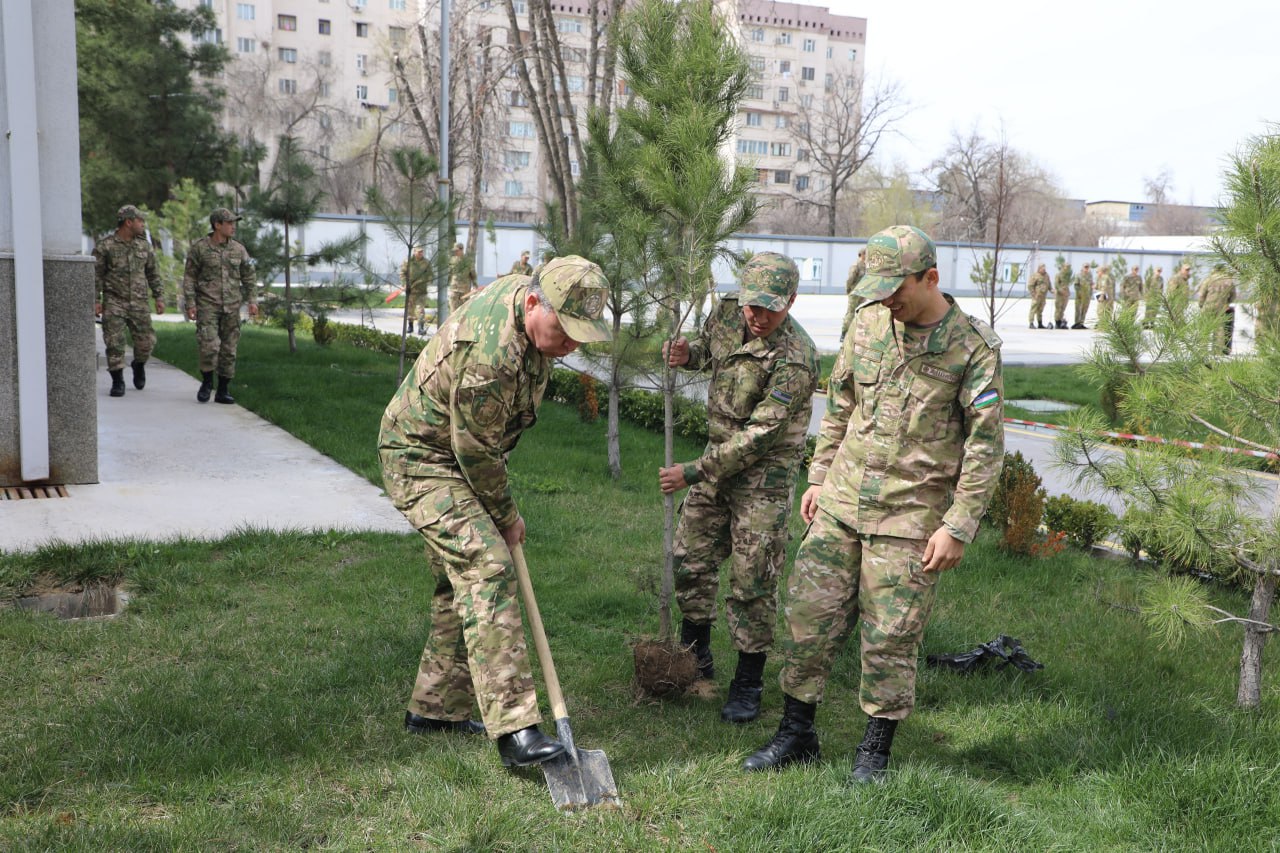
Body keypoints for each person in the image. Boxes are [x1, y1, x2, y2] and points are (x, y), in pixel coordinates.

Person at [742, 225, 1004, 784]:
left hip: (909, 518)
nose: (886, 300)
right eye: (877, 289)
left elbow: (985, 448)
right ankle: (796, 734)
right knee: (808, 620)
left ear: (930, 278)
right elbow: (841, 403)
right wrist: (818, 476)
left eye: (896, 289)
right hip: (840, 502)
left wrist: (958, 526)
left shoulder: (972, 349)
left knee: (890, 637)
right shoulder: (867, 322)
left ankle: (874, 752)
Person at [378, 256, 613, 768]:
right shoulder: (491, 356)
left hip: (456, 451)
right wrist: (506, 516)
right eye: (564, 331)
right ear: (532, 304)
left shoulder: (532, 306)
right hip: (422, 458)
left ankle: (436, 709)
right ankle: (516, 729)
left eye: (580, 335)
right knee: (487, 567)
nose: (571, 346)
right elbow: (476, 451)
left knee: (459, 581)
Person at [660, 252, 820, 724]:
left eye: (771, 308)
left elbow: (759, 437)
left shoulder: (797, 357)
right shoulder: (729, 312)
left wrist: (693, 471)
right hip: (717, 464)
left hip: (763, 478)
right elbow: (711, 350)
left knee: (753, 580)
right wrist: (688, 354)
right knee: (689, 557)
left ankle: (748, 681)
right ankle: (696, 656)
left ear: (792, 301)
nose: (758, 316)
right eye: (753, 305)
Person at [183, 208, 258, 404]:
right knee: (209, 346)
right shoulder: (200, 248)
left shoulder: (239, 249)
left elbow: (249, 277)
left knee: (229, 350)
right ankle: (207, 382)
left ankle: (223, 390)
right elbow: (189, 277)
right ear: (217, 225)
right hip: (207, 305)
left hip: (232, 307)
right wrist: (190, 303)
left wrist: (252, 300)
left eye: (234, 223)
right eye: (229, 223)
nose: (233, 227)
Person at [93, 204, 165, 397]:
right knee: (114, 343)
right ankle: (118, 381)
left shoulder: (144, 246)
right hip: (114, 302)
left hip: (139, 303)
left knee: (146, 343)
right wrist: (95, 300)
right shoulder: (105, 246)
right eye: (140, 221)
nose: (143, 224)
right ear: (128, 222)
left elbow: (153, 273)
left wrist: (159, 296)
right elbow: (95, 275)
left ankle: (138, 364)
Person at [1197, 267, 1237, 354]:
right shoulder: (1229, 281)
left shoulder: (1209, 279)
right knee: (1219, 328)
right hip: (1221, 307)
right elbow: (1233, 295)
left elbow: (1202, 294)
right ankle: (1217, 351)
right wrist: (1227, 302)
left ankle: (1202, 350)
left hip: (1208, 306)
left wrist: (1201, 305)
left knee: (1205, 328)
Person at [400, 246, 431, 335]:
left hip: (421, 290)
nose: (421, 253)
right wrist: (404, 284)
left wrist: (426, 282)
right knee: (410, 309)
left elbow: (430, 274)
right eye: (419, 252)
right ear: (414, 252)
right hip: (411, 290)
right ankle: (410, 326)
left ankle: (421, 328)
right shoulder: (408, 262)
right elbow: (402, 273)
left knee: (420, 309)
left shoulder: (426, 262)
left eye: (422, 252)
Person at [840, 249, 867, 341]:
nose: (867, 256)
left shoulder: (865, 266)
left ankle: (859, 333)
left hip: (862, 293)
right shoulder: (856, 265)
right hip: (855, 293)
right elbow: (850, 279)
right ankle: (844, 333)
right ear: (861, 254)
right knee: (851, 313)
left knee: (862, 312)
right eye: (866, 254)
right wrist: (848, 289)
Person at [447, 243, 477, 316]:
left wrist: (475, 284)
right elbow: (449, 273)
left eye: (457, 250)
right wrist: (447, 283)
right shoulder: (452, 260)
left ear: (461, 250)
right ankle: (453, 323)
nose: (455, 252)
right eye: (455, 251)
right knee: (453, 310)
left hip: (464, 289)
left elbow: (473, 274)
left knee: (464, 310)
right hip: (454, 288)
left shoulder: (468, 261)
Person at [1026, 263, 1050, 329]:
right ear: (1039, 269)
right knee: (1033, 309)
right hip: (1037, 296)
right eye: (1042, 268)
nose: (1044, 270)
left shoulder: (1046, 275)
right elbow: (1030, 286)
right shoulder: (1035, 275)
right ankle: (1031, 323)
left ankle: (1040, 323)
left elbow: (1049, 284)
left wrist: (1052, 290)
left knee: (1040, 310)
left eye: (1044, 268)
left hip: (1043, 297)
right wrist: (1033, 294)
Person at [1073, 262, 1093, 329]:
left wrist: (1090, 293)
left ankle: (1081, 323)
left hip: (1087, 296)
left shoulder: (1090, 275)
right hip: (1080, 296)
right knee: (1078, 309)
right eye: (1085, 267)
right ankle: (1077, 323)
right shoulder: (1078, 275)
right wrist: (1079, 293)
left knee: (1084, 310)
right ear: (1082, 267)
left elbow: (1091, 284)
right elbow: (1076, 285)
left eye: (1087, 267)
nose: (1086, 268)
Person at [1053, 262, 1072, 329]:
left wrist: (1067, 292)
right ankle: (1057, 322)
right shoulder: (1058, 275)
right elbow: (1056, 285)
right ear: (1063, 267)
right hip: (1060, 295)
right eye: (1066, 267)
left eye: (1068, 267)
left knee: (1063, 309)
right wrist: (1061, 291)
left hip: (1065, 295)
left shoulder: (1067, 276)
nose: (1067, 268)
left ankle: (1061, 321)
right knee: (1058, 308)